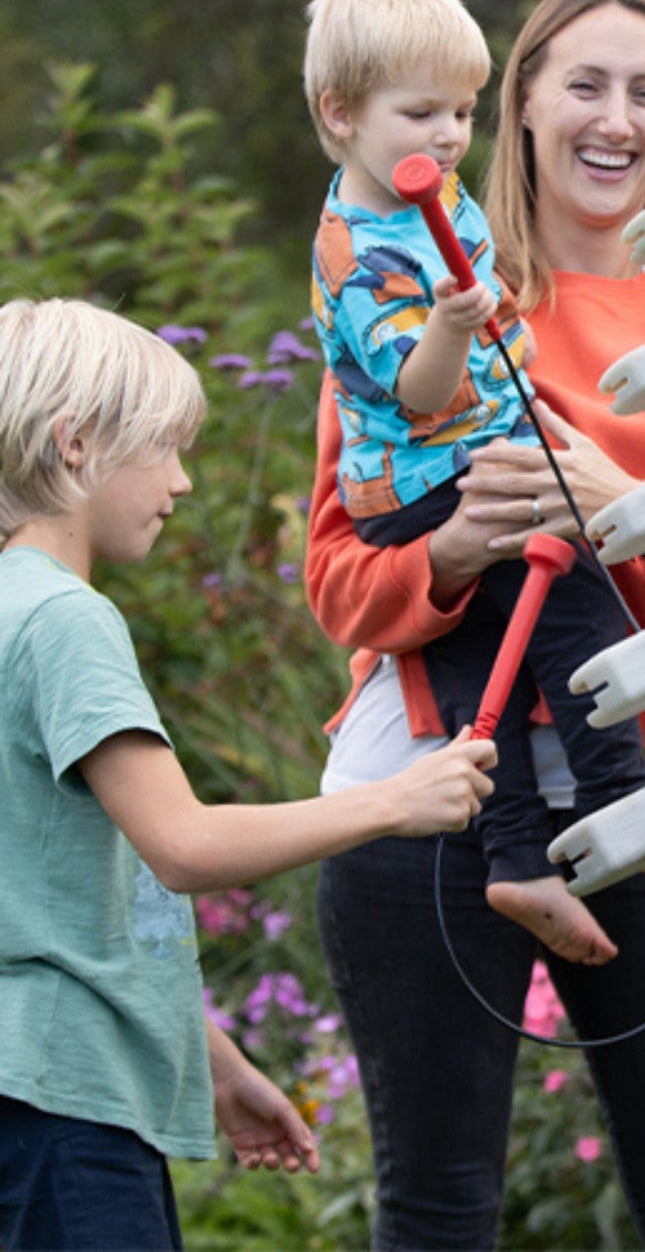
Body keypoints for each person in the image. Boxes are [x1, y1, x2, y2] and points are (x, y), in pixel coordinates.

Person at [307, 0, 645, 1251]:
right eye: (585, 85)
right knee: (438, 1208)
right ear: (523, 109)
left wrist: (633, 510)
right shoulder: (417, 301)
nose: (616, 119)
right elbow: (342, 581)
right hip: (433, 796)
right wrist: (449, 554)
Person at [0, 297, 497, 1252]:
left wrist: (212, 1061)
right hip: (68, 1109)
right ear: (73, 444)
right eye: (163, 449)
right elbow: (182, 845)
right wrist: (394, 799)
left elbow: (56, 897)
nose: (182, 483)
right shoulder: (66, 620)